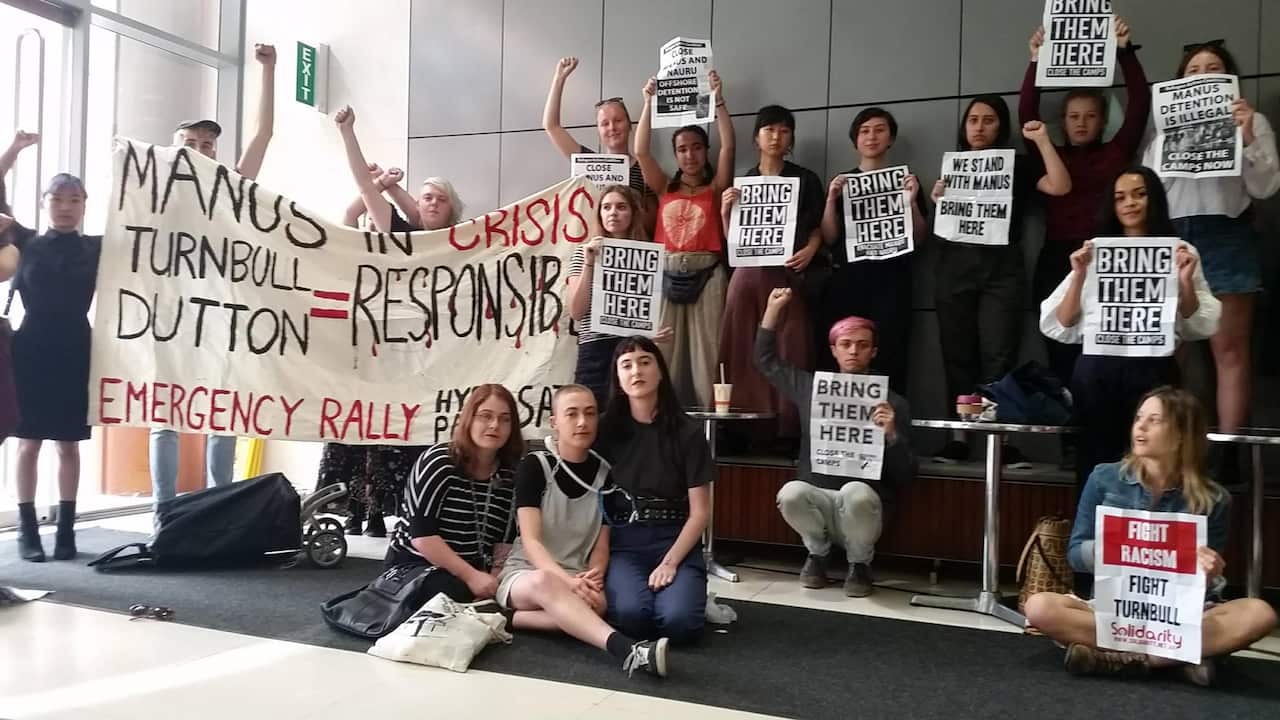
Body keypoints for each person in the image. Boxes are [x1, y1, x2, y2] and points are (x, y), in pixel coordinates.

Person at [1024, 387, 1277, 686]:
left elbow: (1205, 585)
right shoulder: (1104, 478)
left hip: (1180, 614)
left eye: (1154, 420)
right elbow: (1075, 554)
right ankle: (1179, 658)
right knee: (1039, 607)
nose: (1140, 427)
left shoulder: (1214, 499)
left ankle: (1123, 659)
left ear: (1181, 435)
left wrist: (1210, 572)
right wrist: (1108, 549)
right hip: (1116, 607)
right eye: (1138, 418)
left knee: (1260, 613)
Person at [1139, 40, 1280, 483]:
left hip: (1226, 232)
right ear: (1180, 81)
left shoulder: (1252, 119)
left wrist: (1248, 135)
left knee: (1230, 350)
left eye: (1213, 67)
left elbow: (1265, 186)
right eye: (1193, 69)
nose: (1202, 74)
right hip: (1173, 236)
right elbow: (1151, 193)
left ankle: (1228, 454)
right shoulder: (1162, 132)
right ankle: (1171, 449)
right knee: (1169, 349)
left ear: (1228, 77)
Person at [150, 43, 277, 506]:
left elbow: (263, 134)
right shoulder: (155, 191)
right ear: (174, 150)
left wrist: (267, 70)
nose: (200, 150)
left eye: (207, 145)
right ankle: (164, 511)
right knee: (164, 415)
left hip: (220, 314)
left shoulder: (229, 189)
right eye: (190, 143)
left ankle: (219, 509)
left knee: (222, 416)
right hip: (171, 315)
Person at [1021, 18, 1150, 471]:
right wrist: (1035, 63)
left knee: (1107, 354)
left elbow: (1139, 106)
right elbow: (1027, 116)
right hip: (1057, 258)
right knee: (1059, 355)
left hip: (1108, 261)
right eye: (1073, 116)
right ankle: (1072, 442)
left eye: (1089, 116)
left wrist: (1125, 53)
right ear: (1064, 121)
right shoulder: (1048, 153)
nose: (1080, 123)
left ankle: (1119, 444)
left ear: (1101, 120)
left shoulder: (1116, 153)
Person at [1041, 166, 1220, 488]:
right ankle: (1093, 522)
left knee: (1155, 466)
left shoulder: (1180, 252)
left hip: (1153, 370)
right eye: (1120, 197)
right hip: (1097, 372)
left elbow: (1198, 324)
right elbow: (1060, 322)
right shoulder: (1095, 252)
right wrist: (1080, 274)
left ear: (1155, 200)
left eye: (1139, 194)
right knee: (1096, 464)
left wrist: (1184, 281)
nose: (1130, 203)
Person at [930, 96, 1072, 467]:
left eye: (989, 120)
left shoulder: (1017, 165)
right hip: (954, 265)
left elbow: (1060, 186)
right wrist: (938, 199)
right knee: (957, 355)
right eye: (973, 120)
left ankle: (1000, 439)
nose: (979, 127)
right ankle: (959, 438)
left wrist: (1042, 141)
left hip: (1002, 268)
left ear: (1001, 126)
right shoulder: (954, 168)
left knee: (1000, 354)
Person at [496, 384, 669, 678]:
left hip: (576, 575)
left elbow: (601, 542)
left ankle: (507, 618)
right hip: (528, 574)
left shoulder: (605, 474)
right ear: (554, 422)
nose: (582, 422)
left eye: (590, 414)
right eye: (572, 414)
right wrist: (566, 582)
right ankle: (627, 650)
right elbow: (531, 541)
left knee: (599, 605)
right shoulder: (535, 465)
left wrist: (595, 574)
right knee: (546, 584)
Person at [755, 288, 915, 596]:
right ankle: (817, 554)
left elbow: (907, 475)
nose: (853, 351)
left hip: (864, 509)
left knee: (855, 492)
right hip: (819, 503)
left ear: (873, 352)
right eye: (846, 344)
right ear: (834, 350)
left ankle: (860, 564)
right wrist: (772, 311)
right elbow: (766, 360)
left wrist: (892, 435)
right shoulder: (811, 389)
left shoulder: (893, 403)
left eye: (862, 345)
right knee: (790, 493)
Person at [0, 145, 100, 562]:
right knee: (28, 442)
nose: (65, 207)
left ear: (84, 205)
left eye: (74, 200)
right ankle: (27, 531)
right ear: (44, 203)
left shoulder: (98, 247)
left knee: (69, 444)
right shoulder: (25, 240)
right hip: (31, 348)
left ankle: (66, 532)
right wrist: (13, 150)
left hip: (77, 348)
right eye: (57, 199)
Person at [717, 105, 824, 446]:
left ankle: (787, 429)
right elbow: (733, 240)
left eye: (784, 130)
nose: (776, 137)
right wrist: (725, 212)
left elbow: (818, 227)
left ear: (791, 138)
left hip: (787, 272)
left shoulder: (806, 179)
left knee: (790, 346)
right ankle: (740, 429)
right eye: (769, 130)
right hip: (747, 275)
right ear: (756, 138)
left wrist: (811, 249)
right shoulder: (743, 182)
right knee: (740, 346)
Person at [596, 336, 711, 643]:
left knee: (679, 623)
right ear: (618, 378)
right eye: (626, 365)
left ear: (660, 371)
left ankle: (686, 594)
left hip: (676, 538)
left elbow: (700, 513)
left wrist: (670, 562)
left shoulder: (689, 432)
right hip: (625, 541)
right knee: (631, 617)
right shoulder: (604, 430)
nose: (636, 371)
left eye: (645, 362)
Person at [635, 71, 735, 409]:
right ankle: (663, 417)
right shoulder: (665, 187)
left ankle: (709, 425)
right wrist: (648, 103)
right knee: (664, 350)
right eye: (682, 149)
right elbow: (641, 152)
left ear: (705, 151)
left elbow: (730, 146)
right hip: (666, 273)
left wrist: (719, 101)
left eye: (696, 148)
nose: (689, 155)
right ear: (675, 155)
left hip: (708, 274)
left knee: (708, 352)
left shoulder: (716, 187)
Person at [818, 108, 929, 394]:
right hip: (849, 280)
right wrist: (830, 199)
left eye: (879, 130)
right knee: (846, 353)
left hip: (893, 280)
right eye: (865, 131)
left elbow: (919, 239)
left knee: (891, 352)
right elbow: (829, 237)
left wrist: (912, 202)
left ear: (890, 138)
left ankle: (890, 419)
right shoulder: (843, 182)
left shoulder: (907, 181)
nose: (872, 137)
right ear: (855, 140)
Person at [384, 384, 521, 607]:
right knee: (449, 592)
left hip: (478, 568)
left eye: (505, 419)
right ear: (468, 419)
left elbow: (505, 540)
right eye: (485, 416)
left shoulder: (509, 474)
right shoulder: (439, 461)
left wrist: (494, 580)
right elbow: (422, 536)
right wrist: (472, 577)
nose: (495, 425)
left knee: (516, 591)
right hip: (418, 566)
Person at [565, 185, 670, 405]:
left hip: (632, 352)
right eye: (606, 207)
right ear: (599, 214)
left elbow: (646, 308)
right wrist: (589, 263)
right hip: (594, 351)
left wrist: (650, 333)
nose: (613, 213)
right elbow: (576, 312)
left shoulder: (648, 256)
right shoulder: (583, 253)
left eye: (621, 207)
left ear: (633, 213)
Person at [542, 57, 656, 229]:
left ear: (629, 125)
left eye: (618, 120)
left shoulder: (644, 168)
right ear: (598, 130)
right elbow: (551, 126)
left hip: (629, 243)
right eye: (604, 123)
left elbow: (652, 221)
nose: (612, 127)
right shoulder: (587, 163)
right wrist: (559, 78)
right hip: (592, 241)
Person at [334, 104, 464, 232]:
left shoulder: (463, 236)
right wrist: (347, 131)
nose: (434, 203)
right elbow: (365, 188)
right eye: (428, 198)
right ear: (418, 205)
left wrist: (384, 182)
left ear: (451, 210)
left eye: (442, 199)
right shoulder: (401, 233)